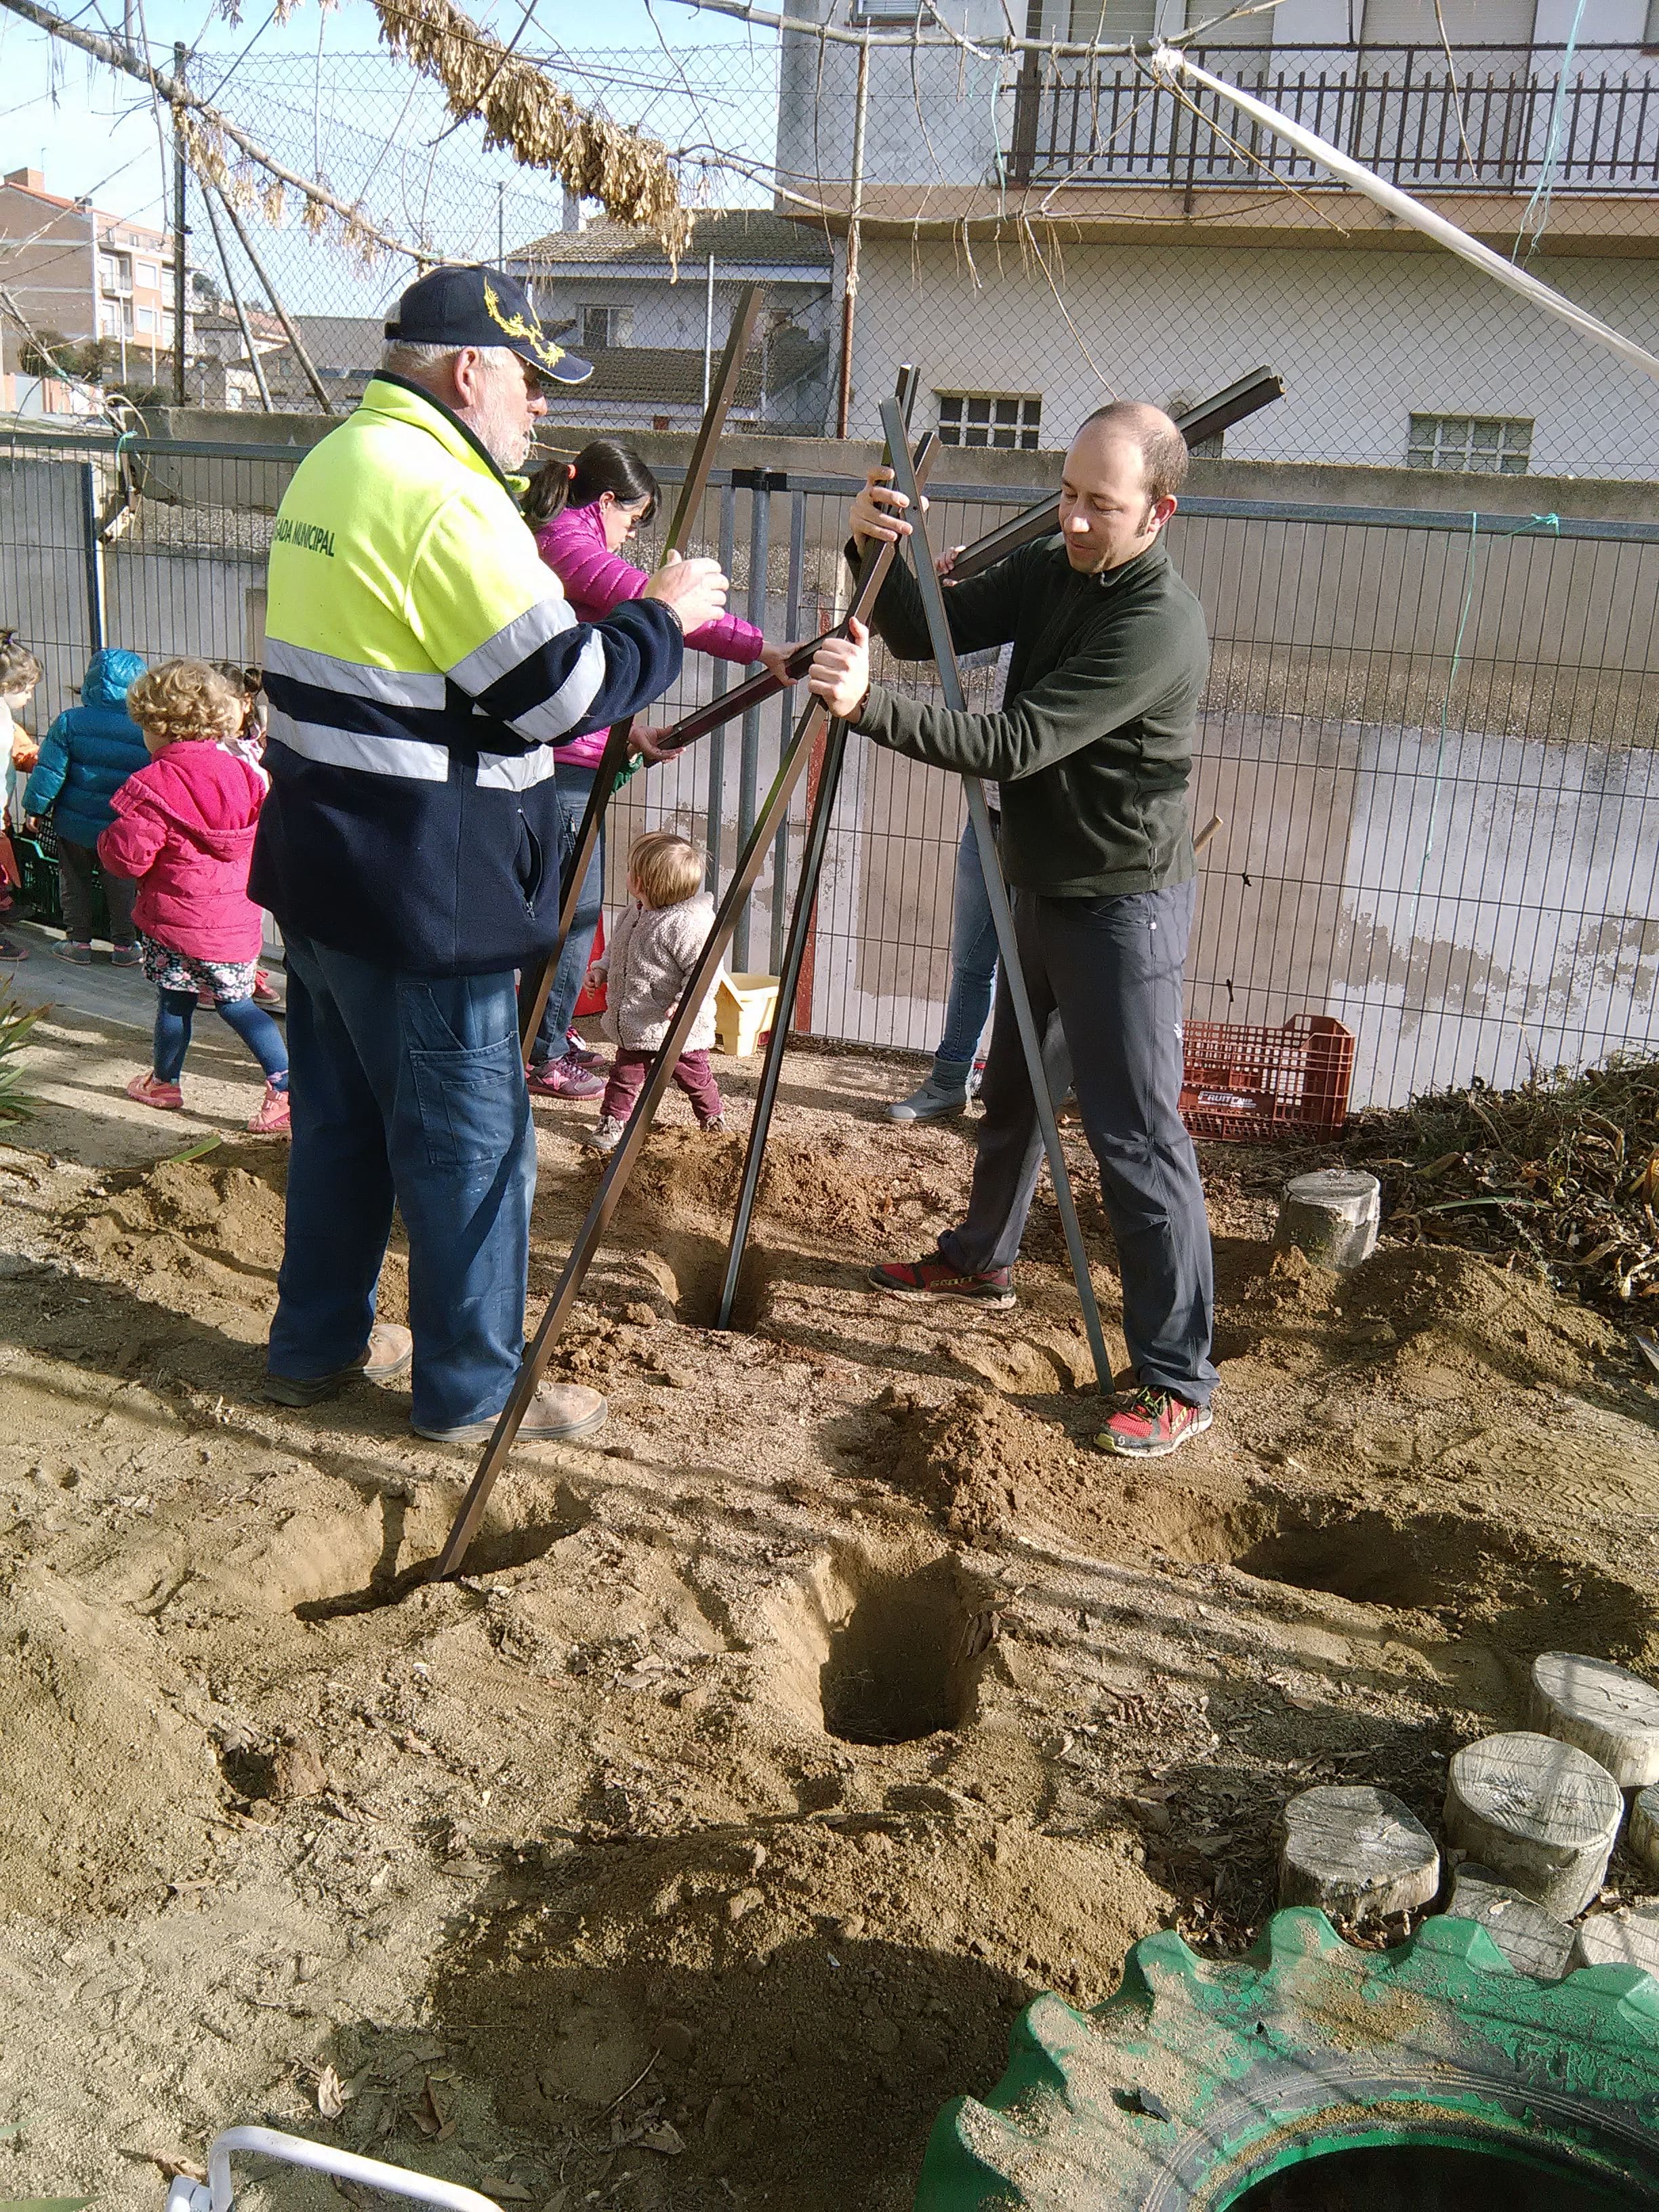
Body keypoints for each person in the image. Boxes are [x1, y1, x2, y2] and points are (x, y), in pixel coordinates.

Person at [251, 266, 727, 1447]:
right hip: (424, 888)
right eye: (528, 380)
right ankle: (469, 1389)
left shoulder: (338, 460)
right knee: (473, 1152)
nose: (539, 410)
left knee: (343, 1130)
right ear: (470, 371)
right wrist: (659, 614)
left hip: (323, 864)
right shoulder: (443, 497)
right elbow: (552, 694)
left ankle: (317, 1343)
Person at [808, 399, 1219, 1461]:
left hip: (1121, 903)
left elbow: (1021, 741)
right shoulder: (1054, 567)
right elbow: (917, 631)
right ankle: (982, 1255)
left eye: (1102, 506)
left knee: (1134, 1138)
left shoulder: (1156, 624)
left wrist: (868, 710)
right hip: (1038, 879)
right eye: (1069, 495)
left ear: (1159, 512)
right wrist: (875, 540)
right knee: (1012, 1088)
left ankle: (1178, 1378)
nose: (1075, 520)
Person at [520, 438, 793, 1099]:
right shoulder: (568, 543)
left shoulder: (574, 544)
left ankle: (544, 1037)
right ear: (607, 500)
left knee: (565, 913)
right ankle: (541, 1051)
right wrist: (764, 648)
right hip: (559, 770)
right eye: (633, 519)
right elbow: (664, 614)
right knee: (569, 916)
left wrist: (628, 732)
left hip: (575, 756)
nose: (630, 533)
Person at [98, 659, 291, 1134]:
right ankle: (285, 1089)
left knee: (175, 1002)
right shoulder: (246, 774)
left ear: (158, 727)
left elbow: (129, 861)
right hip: (235, 919)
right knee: (239, 1003)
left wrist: (108, 840)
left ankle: (165, 1082)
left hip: (173, 923)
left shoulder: (152, 785)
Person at [581, 828, 726, 1154]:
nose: (627, 874)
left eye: (632, 870)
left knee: (694, 1076)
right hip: (638, 1022)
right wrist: (601, 970)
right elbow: (619, 949)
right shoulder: (633, 912)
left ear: (644, 882)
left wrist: (683, 1004)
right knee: (624, 1076)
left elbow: (704, 972)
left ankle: (713, 1116)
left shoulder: (687, 925)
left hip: (676, 1028)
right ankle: (612, 1121)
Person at [23, 648, 149, 966]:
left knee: (74, 881)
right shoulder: (145, 728)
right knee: (122, 884)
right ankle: (126, 946)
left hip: (73, 824)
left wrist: (35, 808)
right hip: (121, 826)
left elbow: (50, 771)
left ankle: (78, 942)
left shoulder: (71, 721)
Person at [0, 635, 44, 962]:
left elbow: (21, 749)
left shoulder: (5, 717)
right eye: (26, 689)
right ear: (6, 685)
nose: (30, 696)